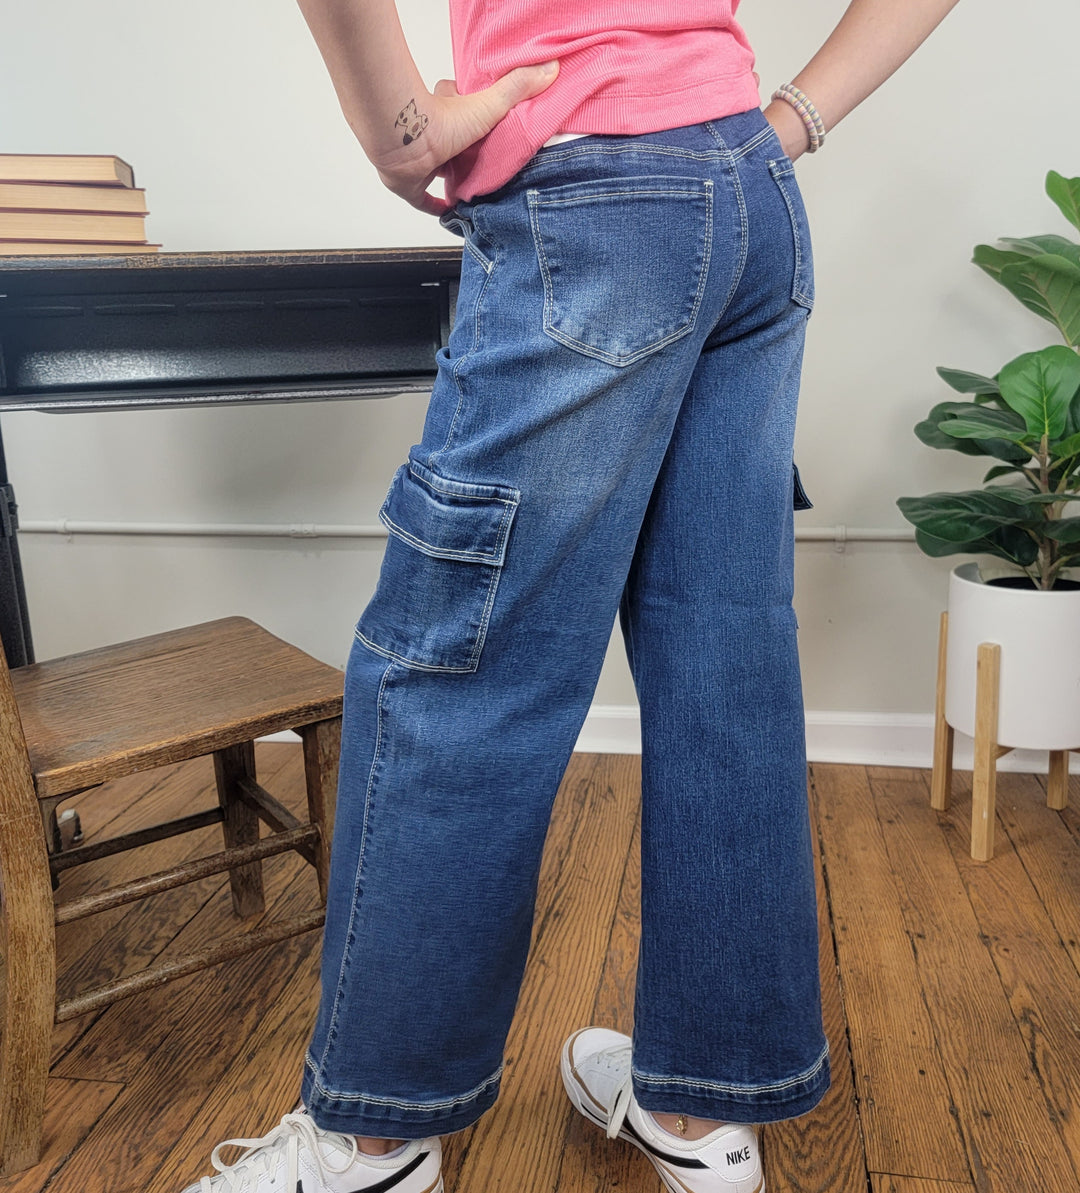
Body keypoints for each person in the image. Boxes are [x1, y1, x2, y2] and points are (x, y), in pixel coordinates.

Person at [181, 2, 961, 1191]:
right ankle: (700, 1116)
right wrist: (791, 120)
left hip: (591, 203)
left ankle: (369, 1143)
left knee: (458, 668)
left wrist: (402, 136)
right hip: (749, 197)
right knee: (723, 660)